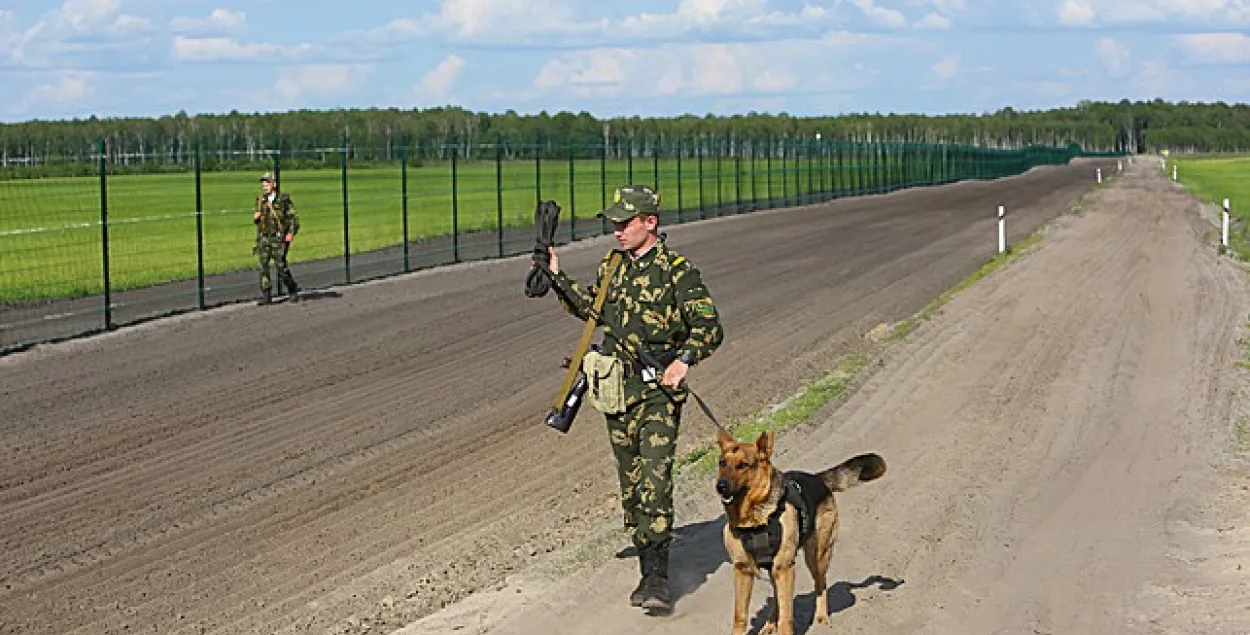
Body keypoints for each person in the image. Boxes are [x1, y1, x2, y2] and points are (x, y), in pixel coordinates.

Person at [543, 184, 724, 612]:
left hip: (659, 394)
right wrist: (555, 274)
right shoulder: (613, 267)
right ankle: (647, 557)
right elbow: (594, 310)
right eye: (615, 224)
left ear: (650, 223)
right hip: (618, 390)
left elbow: (710, 327)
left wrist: (684, 360)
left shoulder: (677, 270)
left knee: (655, 480)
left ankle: (657, 579)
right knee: (631, 487)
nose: (617, 231)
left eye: (625, 223)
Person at [253, 172, 300, 305]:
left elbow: (293, 219)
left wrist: (291, 233)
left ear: (274, 184)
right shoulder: (261, 201)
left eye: (267, 183)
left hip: (278, 238)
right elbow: (260, 220)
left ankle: (292, 288)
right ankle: (266, 295)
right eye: (263, 183)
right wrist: (256, 219)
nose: (264, 186)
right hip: (264, 237)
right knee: (264, 266)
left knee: (281, 266)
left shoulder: (283, 200)